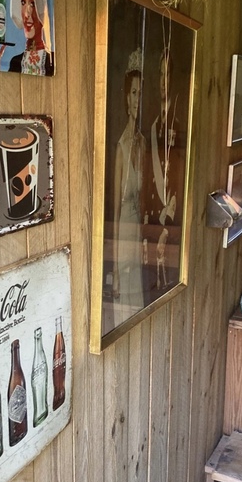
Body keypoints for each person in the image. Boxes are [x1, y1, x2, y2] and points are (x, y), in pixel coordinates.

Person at [143, 47, 184, 295]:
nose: (162, 81)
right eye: (160, 74)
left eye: (167, 74)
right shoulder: (152, 125)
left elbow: (178, 178)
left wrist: (168, 220)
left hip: (169, 217)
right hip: (151, 217)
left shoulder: (178, 125)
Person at [112, 48, 146, 326]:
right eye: (133, 93)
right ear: (126, 97)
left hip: (138, 230)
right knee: (125, 295)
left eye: (141, 93)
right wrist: (112, 262)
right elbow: (113, 208)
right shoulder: (121, 147)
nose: (138, 99)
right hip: (124, 226)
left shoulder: (143, 144)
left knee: (140, 295)